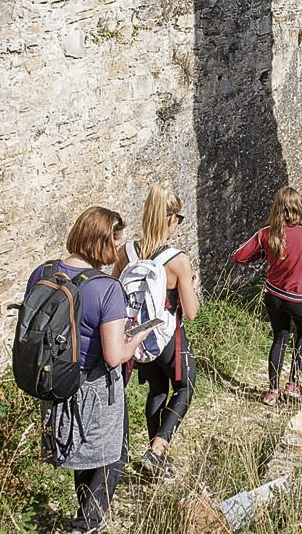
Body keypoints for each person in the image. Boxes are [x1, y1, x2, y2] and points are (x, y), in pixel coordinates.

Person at [26, 206, 154, 533]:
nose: (118, 252)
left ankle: (84, 520)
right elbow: (113, 356)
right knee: (112, 458)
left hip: (54, 380)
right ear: (102, 243)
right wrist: (138, 334)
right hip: (94, 391)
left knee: (83, 455)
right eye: (117, 244)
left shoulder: (42, 271)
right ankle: (86, 525)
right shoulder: (106, 289)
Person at [112, 184, 199, 479]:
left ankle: (154, 461)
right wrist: (192, 283)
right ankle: (157, 450)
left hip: (135, 337)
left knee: (157, 389)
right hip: (166, 337)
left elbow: (115, 292)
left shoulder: (125, 253)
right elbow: (191, 311)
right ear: (171, 218)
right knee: (186, 386)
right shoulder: (177, 260)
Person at [231, 186, 302, 406]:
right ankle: (293, 384)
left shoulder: (266, 234)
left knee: (280, 337)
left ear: (276, 209)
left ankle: (272, 390)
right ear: (298, 208)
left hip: (275, 295)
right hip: (301, 297)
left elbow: (239, 257)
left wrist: (263, 253)